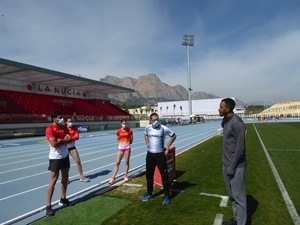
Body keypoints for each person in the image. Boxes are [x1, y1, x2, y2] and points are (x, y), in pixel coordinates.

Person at [218, 98, 247, 225]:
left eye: (221, 107)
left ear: (228, 109)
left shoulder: (238, 123)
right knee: (232, 195)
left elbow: (240, 149)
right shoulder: (225, 120)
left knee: (239, 197)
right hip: (226, 164)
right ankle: (236, 219)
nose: (218, 109)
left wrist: (232, 167)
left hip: (236, 166)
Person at [141, 113, 176, 205]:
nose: (155, 121)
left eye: (157, 119)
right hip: (150, 155)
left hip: (160, 154)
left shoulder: (163, 128)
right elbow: (145, 135)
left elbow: (173, 136)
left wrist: (167, 147)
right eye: (153, 120)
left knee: (164, 175)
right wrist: (147, 144)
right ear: (150, 120)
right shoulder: (148, 128)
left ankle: (167, 196)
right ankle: (149, 193)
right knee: (149, 174)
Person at [45, 111, 74, 217]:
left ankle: (63, 198)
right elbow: (54, 144)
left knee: (65, 178)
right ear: (54, 119)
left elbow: (70, 139)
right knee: (53, 180)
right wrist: (63, 140)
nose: (62, 119)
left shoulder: (64, 127)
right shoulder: (49, 129)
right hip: (55, 158)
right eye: (60, 117)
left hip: (65, 155)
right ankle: (48, 206)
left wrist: (60, 140)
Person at [109, 119, 133, 184]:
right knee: (117, 163)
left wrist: (129, 140)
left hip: (127, 148)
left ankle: (125, 176)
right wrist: (121, 143)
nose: (124, 125)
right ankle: (113, 178)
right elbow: (118, 138)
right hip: (121, 148)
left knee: (127, 162)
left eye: (125, 123)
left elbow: (131, 141)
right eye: (123, 123)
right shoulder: (118, 131)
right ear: (121, 124)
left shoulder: (130, 131)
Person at [66, 117, 90, 183]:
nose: (70, 123)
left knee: (78, 161)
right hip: (65, 148)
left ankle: (81, 176)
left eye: (71, 121)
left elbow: (77, 137)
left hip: (72, 147)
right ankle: (66, 178)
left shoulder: (74, 128)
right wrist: (71, 138)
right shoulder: (64, 129)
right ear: (66, 123)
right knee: (66, 164)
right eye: (69, 122)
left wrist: (68, 139)